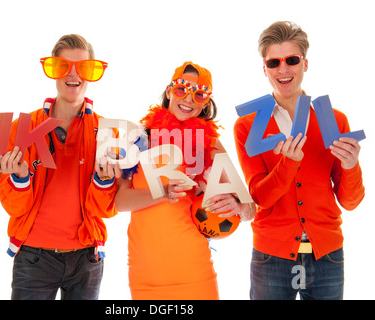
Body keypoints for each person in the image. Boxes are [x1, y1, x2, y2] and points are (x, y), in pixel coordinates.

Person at [233, 21, 365, 300]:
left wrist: (352, 166)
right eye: (274, 62)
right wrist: (288, 163)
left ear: (305, 64)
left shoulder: (333, 119)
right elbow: (260, 196)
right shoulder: (248, 125)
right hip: (271, 256)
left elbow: (350, 202)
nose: (283, 69)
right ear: (265, 69)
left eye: (292, 60)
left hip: (327, 255)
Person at [0, 34, 120, 300]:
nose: (73, 74)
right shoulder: (23, 128)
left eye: (83, 67)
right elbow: (14, 207)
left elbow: (105, 210)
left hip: (87, 261)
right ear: (53, 71)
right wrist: (20, 177)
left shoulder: (106, 131)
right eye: (63, 66)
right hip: (34, 260)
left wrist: (103, 182)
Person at [114, 61, 255, 299]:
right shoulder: (139, 138)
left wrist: (240, 206)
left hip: (193, 272)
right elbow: (120, 202)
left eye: (199, 95)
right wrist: (163, 191)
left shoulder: (208, 143)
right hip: (145, 274)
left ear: (206, 103)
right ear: (169, 92)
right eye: (182, 90)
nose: (188, 100)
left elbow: (250, 209)